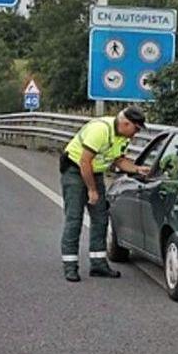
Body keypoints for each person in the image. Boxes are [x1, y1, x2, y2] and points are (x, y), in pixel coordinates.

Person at [59, 106, 150, 282]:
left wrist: (137, 169)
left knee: (101, 218)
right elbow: (85, 162)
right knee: (74, 218)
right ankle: (70, 266)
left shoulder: (123, 137)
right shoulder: (100, 130)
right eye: (136, 129)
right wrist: (92, 190)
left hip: (95, 172)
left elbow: (119, 160)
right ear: (125, 123)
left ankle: (98, 263)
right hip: (75, 171)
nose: (136, 134)